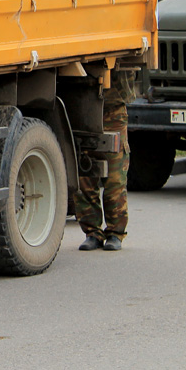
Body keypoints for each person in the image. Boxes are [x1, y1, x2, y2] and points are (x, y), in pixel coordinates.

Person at [75, 69, 135, 251]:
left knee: (115, 178)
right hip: (83, 107)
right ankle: (92, 232)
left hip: (113, 110)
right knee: (84, 178)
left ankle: (115, 233)